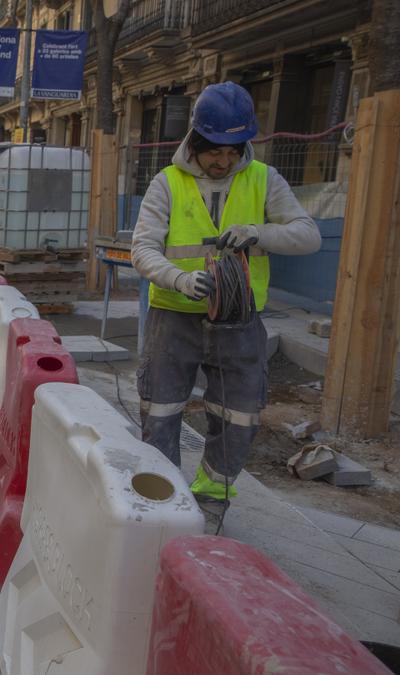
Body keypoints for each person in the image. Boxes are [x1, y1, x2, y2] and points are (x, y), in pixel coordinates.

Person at [132, 81, 320, 513]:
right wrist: (178, 279)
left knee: (237, 415)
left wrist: (260, 232)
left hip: (239, 321)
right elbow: (143, 249)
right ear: (195, 142)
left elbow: (307, 235)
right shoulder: (167, 184)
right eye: (215, 151)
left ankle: (213, 494)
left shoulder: (263, 179)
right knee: (160, 411)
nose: (224, 161)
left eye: (233, 151)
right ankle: (165, 498)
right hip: (174, 316)